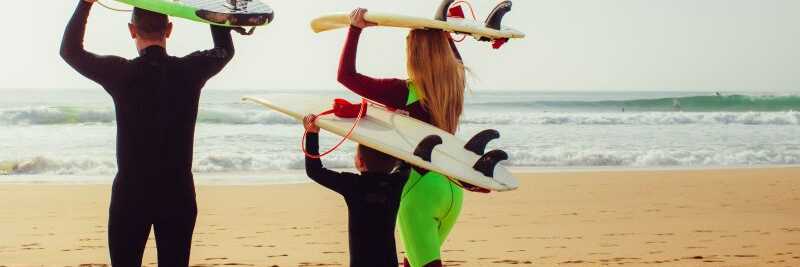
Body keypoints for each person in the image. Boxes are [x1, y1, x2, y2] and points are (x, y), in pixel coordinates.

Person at [60, 0, 235, 265]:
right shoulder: (190, 70)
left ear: (132, 30)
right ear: (169, 29)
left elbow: (70, 51)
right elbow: (224, 50)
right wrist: (215, 12)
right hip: (178, 192)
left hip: (131, 194)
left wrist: (85, 4)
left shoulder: (120, 73)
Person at [336, 8, 471, 267]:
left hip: (419, 189)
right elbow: (456, 63)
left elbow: (345, 76)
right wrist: (443, 28)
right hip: (452, 187)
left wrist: (355, 29)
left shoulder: (403, 91)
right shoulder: (454, 87)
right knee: (414, 261)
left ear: (414, 56)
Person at [302, 115, 408, 267]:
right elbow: (406, 162)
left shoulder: (353, 184)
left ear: (359, 161)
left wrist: (312, 133)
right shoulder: (396, 182)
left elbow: (314, 171)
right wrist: (400, 127)